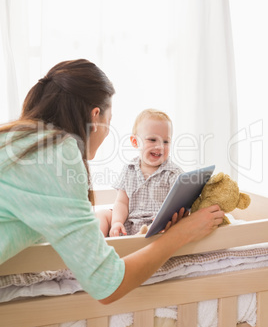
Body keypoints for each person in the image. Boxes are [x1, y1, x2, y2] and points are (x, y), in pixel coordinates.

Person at [0, 59, 224, 305]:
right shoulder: (58, 153)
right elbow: (107, 283)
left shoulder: (18, 138)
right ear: (95, 117)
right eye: (109, 120)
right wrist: (181, 234)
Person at [98, 108, 185, 237]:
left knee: (166, 227)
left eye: (165, 141)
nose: (160, 146)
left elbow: (179, 205)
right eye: (152, 140)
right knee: (102, 214)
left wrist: (165, 219)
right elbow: (122, 202)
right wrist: (117, 222)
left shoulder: (173, 173)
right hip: (128, 225)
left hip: (156, 225)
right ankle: (97, 245)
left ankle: (141, 238)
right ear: (135, 142)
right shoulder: (129, 169)